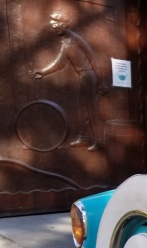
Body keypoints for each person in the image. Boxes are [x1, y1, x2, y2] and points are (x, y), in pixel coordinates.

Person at [29, 12, 107, 151]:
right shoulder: (66, 42)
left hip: (88, 76)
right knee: (82, 109)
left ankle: (100, 141)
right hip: (82, 77)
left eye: (56, 24)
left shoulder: (76, 39)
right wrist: (42, 72)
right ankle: (84, 138)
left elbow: (93, 58)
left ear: (65, 24)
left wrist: (101, 82)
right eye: (53, 24)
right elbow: (60, 63)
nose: (54, 27)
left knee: (91, 110)